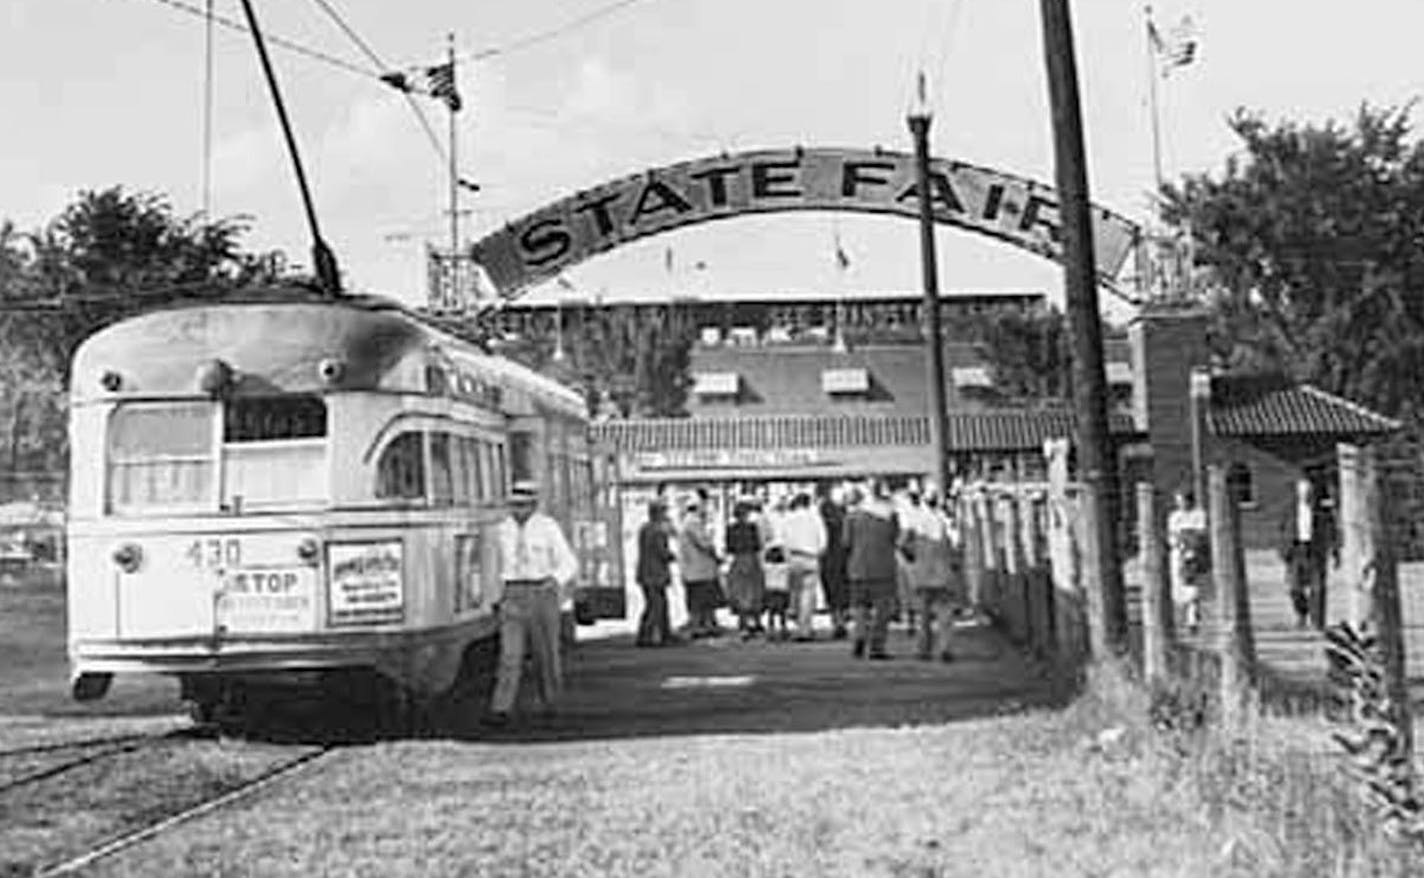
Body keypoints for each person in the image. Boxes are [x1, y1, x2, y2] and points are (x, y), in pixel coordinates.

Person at [485, 480, 578, 727]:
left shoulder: (548, 527)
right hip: (512, 593)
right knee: (509, 655)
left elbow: (568, 562)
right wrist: (495, 597)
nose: (519, 510)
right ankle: (501, 708)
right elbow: (492, 566)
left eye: (524, 505)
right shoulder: (501, 530)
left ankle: (552, 704)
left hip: (542, 592)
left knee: (546, 654)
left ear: (534, 505)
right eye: (515, 505)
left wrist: (555, 581)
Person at [843, 479, 901, 660]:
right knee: (882, 611)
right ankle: (877, 647)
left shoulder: (852, 516)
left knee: (860, 608)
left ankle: (859, 637)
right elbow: (896, 538)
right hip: (883, 568)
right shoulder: (890, 514)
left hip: (858, 567)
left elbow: (846, 542)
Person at [905, 487, 959, 662]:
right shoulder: (946, 520)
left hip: (922, 573)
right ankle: (945, 648)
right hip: (943, 573)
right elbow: (957, 544)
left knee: (924, 616)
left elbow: (903, 543)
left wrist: (913, 558)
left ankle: (923, 649)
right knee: (945, 615)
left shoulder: (916, 520)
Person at [1279, 476, 1338, 629]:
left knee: (1317, 588)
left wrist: (1336, 552)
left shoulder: (1322, 511)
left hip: (1315, 550)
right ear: (1298, 493)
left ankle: (1318, 621)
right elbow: (1282, 529)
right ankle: (1301, 613)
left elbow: (1332, 532)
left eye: (1309, 492)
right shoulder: (1289, 509)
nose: (1306, 495)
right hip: (1296, 549)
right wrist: (1283, 550)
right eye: (1303, 492)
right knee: (1294, 587)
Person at [781, 492, 828, 641]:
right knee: (808, 595)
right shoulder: (815, 518)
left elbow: (784, 541)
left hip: (794, 557)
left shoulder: (788, 518)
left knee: (795, 593)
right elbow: (823, 541)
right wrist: (818, 552)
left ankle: (797, 625)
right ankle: (805, 629)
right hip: (811, 558)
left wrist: (787, 558)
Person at [678, 497, 723, 638]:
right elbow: (704, 544)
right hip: (700, 570)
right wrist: (716, 557)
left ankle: (701, 625)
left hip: (692, 570)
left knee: (696, 600)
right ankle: (702, 626)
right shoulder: (694, 523)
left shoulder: (685, 523)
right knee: (703, 600)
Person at [1166, 487, 1209, 635]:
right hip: (1179, 554)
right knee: (1180, 586)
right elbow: (1172, 535)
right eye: (1178, 501)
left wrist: (1190, 545)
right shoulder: (1174, 517)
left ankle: (1192, 619)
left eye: (1182, 500)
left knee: (1193, 587)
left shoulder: (1199, 515)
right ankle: (1184, 617)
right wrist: (1178, 544)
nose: (1180, 504)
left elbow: (1200, 534)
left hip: (1194, 554)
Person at [635, 499, 677, 647]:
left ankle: (660, 634)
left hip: (645, 572)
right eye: (664, 512)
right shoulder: (658, 531)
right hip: (656, 574)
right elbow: (662, 552)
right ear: (658, 513)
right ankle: (648, 636)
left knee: (654, 605)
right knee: (657, 606)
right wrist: (673, 556)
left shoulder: (644, 528)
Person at [724, 499, 766, 639]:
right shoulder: (752, 527)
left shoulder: (730, 529)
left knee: (740, 593)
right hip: (752, 559)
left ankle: (743, 624)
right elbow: (758, 545)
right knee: (755, 591)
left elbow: (729, 548)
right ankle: (756, 622)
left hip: (738, 560)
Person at [819, 483, 851, 639]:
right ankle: (841, 621)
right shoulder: (845, 517)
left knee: (832, 591)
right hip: (843, 557)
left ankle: (837, 621)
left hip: (827, 558)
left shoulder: (823, 521)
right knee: (842, 590)